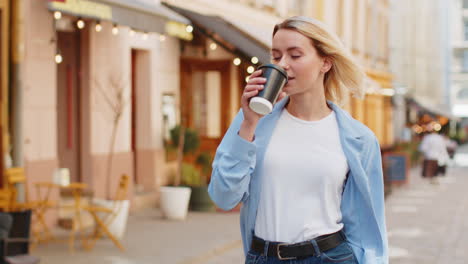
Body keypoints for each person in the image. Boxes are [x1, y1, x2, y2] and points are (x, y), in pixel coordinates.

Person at [208, 16, 388, 264]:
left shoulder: (360, 139)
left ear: (325, 62)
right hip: (265, 257)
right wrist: (249, 124)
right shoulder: (252, 121)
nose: (283, 65)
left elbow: (367, 226)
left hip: (331, 257)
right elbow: (223, 196)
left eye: (295, 55)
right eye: (276, 56)